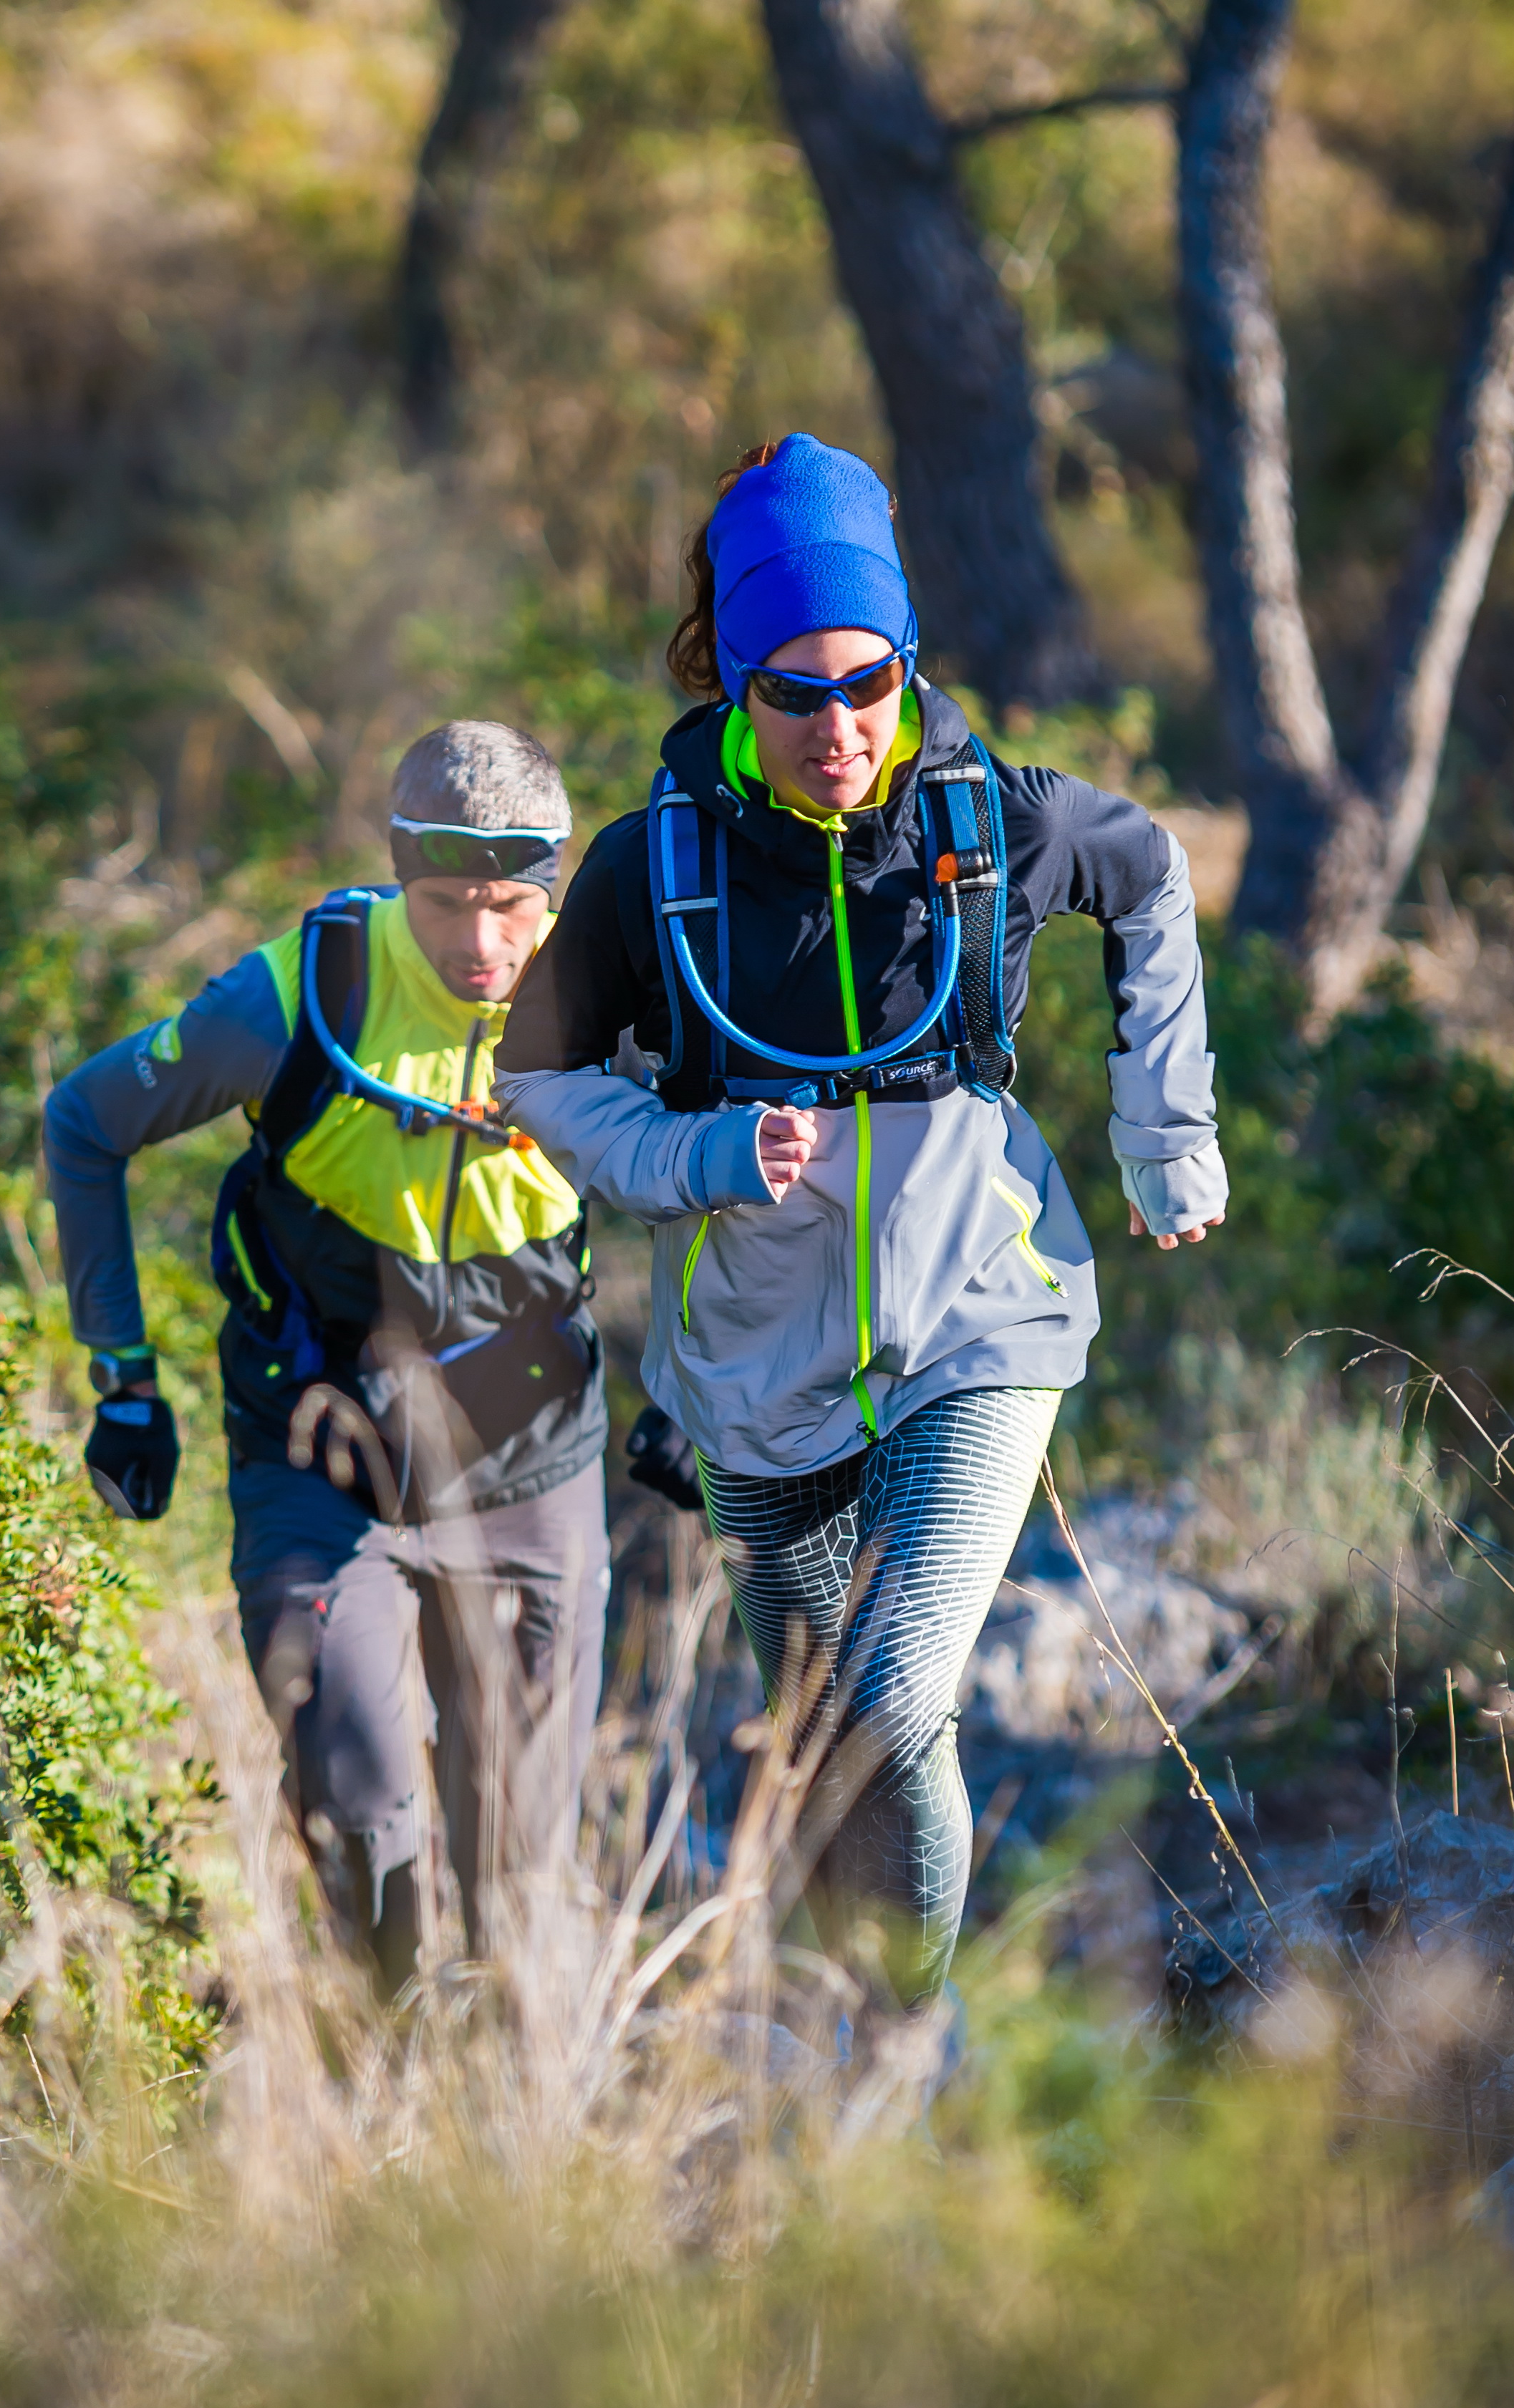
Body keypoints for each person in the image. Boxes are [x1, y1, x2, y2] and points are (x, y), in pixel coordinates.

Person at [494, 435, 1225, 2008]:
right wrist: (691, 1154)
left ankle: (909, 2058)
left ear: (907, 660)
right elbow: (536, 1077)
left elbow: (1154, 876)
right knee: (820, 1741)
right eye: (794, 693)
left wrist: (1169, 1138)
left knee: (893, 1702)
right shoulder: (649, 873)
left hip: (983, 1319)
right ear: (730, 682)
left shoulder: (995, 824)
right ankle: (839, 2055)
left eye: (869, 682)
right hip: (754, 1371)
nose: (838, 728)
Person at [44, 722, 609, 1991]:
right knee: (361, 1823)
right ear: (400, 875)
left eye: (513, 906)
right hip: (320, 1452)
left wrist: (696, 1389)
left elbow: (726, 1183)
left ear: (554, 890)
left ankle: (527, 2142)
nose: (480, 944)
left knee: (519, 1869)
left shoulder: (608, 987)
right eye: (447, 904)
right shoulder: (301, 996)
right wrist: (122, 1380)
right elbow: (85, 1122)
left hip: (529, 1462)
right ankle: (385, 2091)